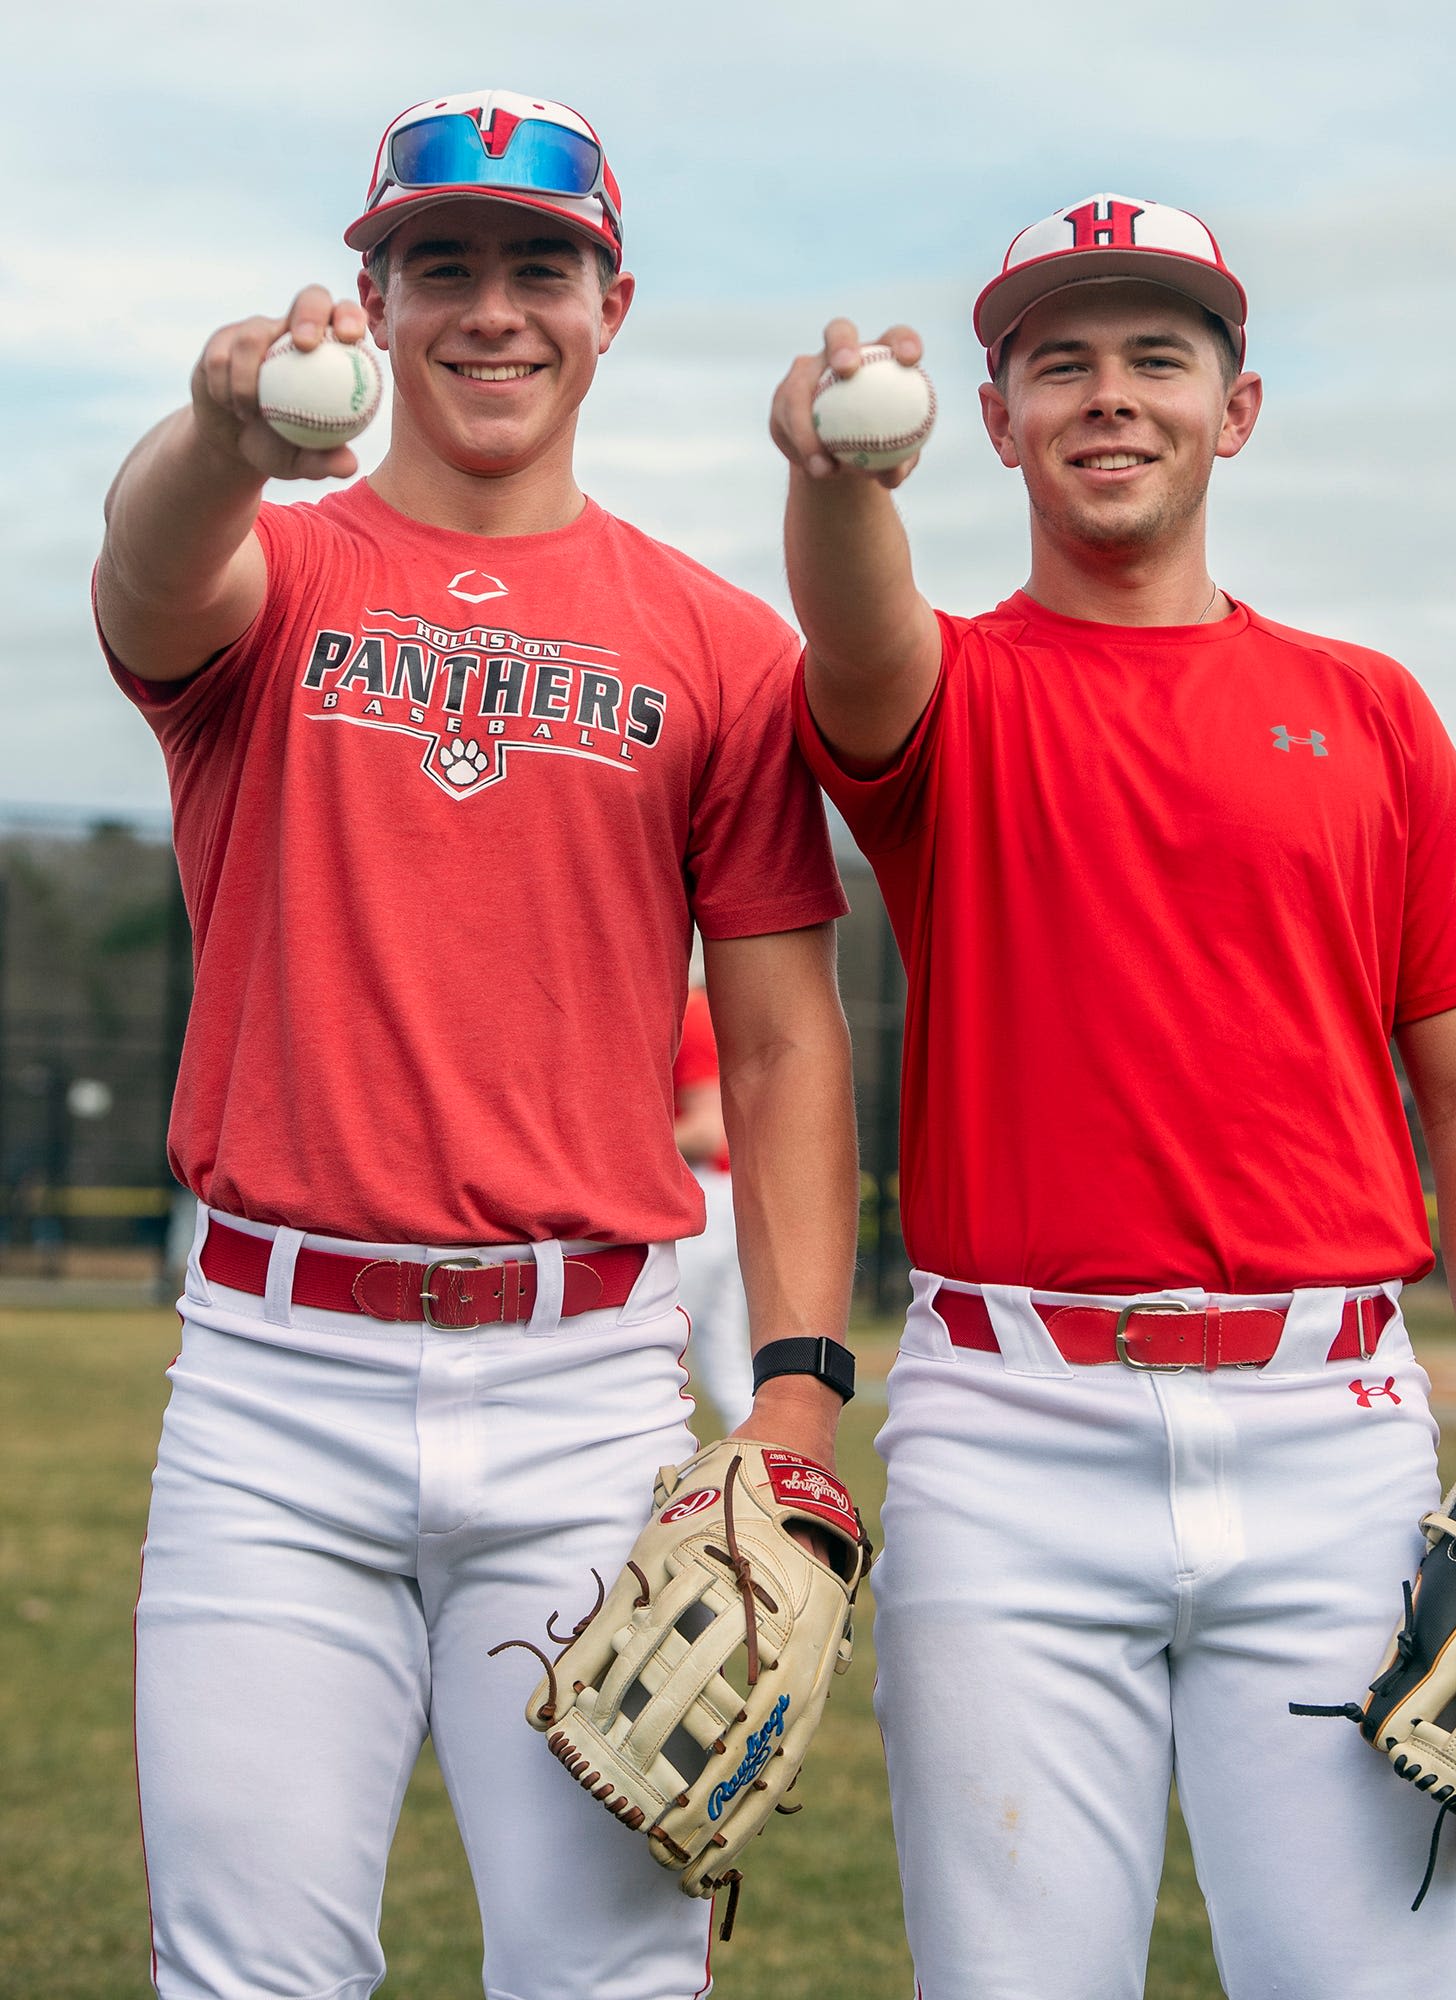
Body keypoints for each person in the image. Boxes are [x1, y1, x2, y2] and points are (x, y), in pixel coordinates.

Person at [96, 89, 858, 2000]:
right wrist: (217, 428)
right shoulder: (277, 579)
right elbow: (148, 574)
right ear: (371, 296)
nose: (494, 310)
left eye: (543, 266)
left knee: (606, 1980)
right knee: (245, 1973)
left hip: (586, 1397)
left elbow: (777, 1050)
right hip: (277, 1388)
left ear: (612, 306)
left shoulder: (719, 643)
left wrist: (795, 1389)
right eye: (443, 265)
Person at [770, 194, 1456, 1996]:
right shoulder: (949, 691)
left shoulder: (1367, 709)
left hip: (1333, 1438)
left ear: (1239, 406)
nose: (1108, 397)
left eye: (1154, 358)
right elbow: (853, 625)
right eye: (1060, 364)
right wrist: (829, 478)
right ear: (992, 419)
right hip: (1010, 1434)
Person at [673, 974, 755, 1430]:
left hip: (701, 1198)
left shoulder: (692, 1009)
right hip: (714, 1199)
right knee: (728, 1366)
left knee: (660, 1350)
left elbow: (707, 1132)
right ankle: (759, 1483)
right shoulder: (692, 1006)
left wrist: (612, 1147)